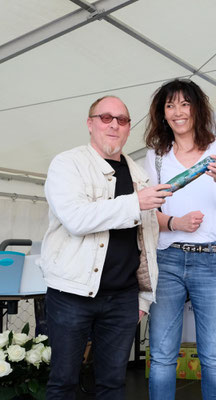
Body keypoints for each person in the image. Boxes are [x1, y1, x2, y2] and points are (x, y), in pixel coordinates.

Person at [40, 96, 170, 399]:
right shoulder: (67, 164)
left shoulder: (139, 175)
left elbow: (147, 240)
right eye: (106, 117)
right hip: (71, 294)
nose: (114, 125)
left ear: (128, 129)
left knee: (113, 384)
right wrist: (134, 203)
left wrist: (143, 298)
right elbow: (75, 218)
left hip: (122, 299)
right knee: (63, 382)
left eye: (122, 120)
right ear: (90, 123)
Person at [144, 79, 216, 400]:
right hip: (167, 260)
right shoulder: (156, 156)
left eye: (184, 104)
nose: (177, 112)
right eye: (170, 106)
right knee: (160, 357)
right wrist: (175, 222)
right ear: (163, 113)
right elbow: (148, 213)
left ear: (197, 108)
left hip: (213, 260)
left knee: (213, 358)